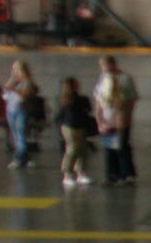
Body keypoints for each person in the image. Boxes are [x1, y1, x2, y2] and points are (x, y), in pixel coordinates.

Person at [92, 56, 139, 184]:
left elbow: (131, 100)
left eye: (104, 65)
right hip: (107, 120)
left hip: (120, 119)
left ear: (112, 64)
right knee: (109, 148)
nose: (103, 69)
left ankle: (127, 174)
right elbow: (98, 101)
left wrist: (126, 118)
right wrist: (99, 120)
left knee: (122, 147)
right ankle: (112, 175)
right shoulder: (102, 78)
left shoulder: (125, 79)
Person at [54, 76, 96, 187]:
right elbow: (87, 109)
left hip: (79, 126)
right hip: (70, 127)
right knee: (73, 149)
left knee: (82, 149)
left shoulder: (68, 99)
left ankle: (80, 172)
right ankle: (67, 173)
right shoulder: (67, 99)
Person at [1, 59, 38, 169]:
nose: (14, 71)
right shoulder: (15, 82)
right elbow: (5, 92)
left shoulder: (29, 84)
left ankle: (19, 159)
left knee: (21, 136)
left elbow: (24, 97)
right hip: (11, 111)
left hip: (22, 112)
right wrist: (12, 79)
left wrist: (14, 90)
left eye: (16, 69)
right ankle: (26, 158)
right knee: (16, 136)